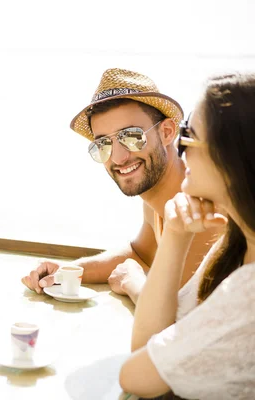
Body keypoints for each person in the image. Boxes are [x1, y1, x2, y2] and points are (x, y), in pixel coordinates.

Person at [21, 68, 221, 303]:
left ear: (167, 132)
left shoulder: (199, 208)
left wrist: (131, 282)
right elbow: (140, 255)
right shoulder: (157, 199)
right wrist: (69, 271)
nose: (118, 158)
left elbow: (179, 315)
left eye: (132, 136)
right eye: (103, 143)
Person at [119, 72, 255, 399]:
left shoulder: (248, 289)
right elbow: (159, 342)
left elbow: (135, 375)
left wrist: (136, 281)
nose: (179, 150)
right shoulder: (238, 242)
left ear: (231, 153)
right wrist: (175, 237)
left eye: (187, 135)